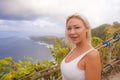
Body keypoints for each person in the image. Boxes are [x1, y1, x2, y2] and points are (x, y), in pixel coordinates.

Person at [60, 14, 101, 80]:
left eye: (77, 27)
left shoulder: (92, 55)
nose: (72, 32)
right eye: (69, 28)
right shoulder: (74, 49)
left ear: (87, 29)